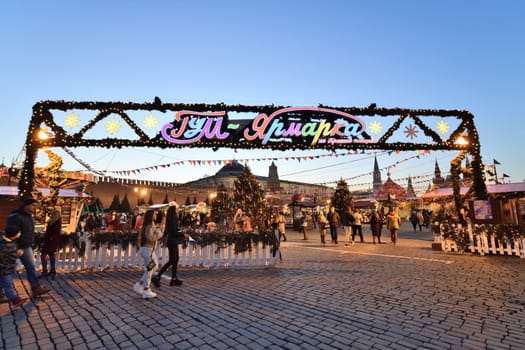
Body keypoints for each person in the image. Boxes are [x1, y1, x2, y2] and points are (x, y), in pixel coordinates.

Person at [5, 197, 51, 298]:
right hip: (17, 246)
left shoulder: (30, 216)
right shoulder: (16, 216)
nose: (35, 208)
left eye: (36, 206)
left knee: (31, 267)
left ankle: (35, 288)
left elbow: (29, 231)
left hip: (26, 246)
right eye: (33, 205)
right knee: (7, 269)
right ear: (27, 205)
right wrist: (16, 247)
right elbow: (11, 232)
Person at [152, 205, 188, 287]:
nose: (177, 211)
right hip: (172, 242)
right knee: (172, 260)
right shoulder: (172, 220)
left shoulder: (171, 220)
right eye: (176, 210)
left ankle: (174, 279)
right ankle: (157, 277)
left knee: (176, 259)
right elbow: (173, 232)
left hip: (173, 241)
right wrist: (183, 234)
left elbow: (170, 231)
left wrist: (180, 231)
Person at [133, 210, 164, 299]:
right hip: (148, 250)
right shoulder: (149, 225)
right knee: (150, 269)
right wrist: (159, 232)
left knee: (154, 266)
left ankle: (140, 284)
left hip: (148, 250)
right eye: (154, 214)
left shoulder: (149, 225)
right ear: (151, 216)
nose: (156, 215)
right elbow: (150, 237)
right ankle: (146, 289)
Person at [0, 228, 27, 308]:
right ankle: (15, 300)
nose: (19, 234)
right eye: (18, 233)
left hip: (7, 268)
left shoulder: (8, 242)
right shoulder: (4, 245)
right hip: (4, 269)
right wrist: (17, 254)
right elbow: (7, 257)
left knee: (3, 283)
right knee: (8, 285)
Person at [41, 209, 62, 278]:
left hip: (51, 240)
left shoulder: (56, 222)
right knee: (51, 254)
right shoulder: (53, 221)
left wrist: (49, 237)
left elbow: (55, 232)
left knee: (44, 255)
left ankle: (45, 271)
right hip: (51, 240)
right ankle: (52, 270)